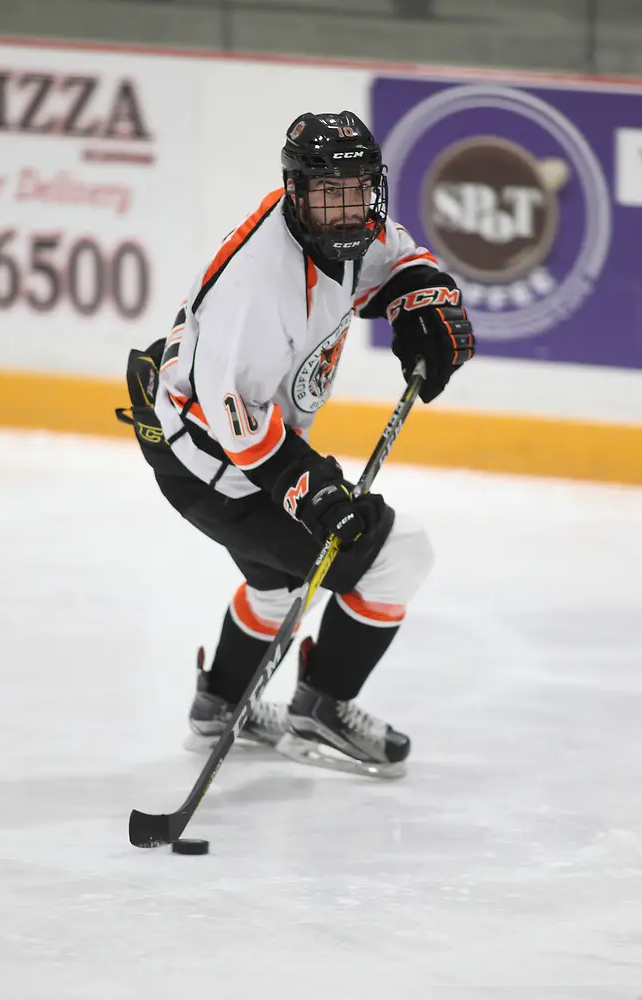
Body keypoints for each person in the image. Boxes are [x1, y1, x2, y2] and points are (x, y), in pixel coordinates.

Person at [128, 110, 475, 778]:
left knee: (279, 584)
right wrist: (307, 488)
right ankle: (323, 707)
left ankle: (218, 708)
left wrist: (423, 304)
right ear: (295, 192)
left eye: (358, 188)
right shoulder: (259, 286)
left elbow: (397, 259)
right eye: (327, 193)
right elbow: (234, 421)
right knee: (395, 555)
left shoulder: (342, 227)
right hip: (212, 462)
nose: (346, 208)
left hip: (211, 443)